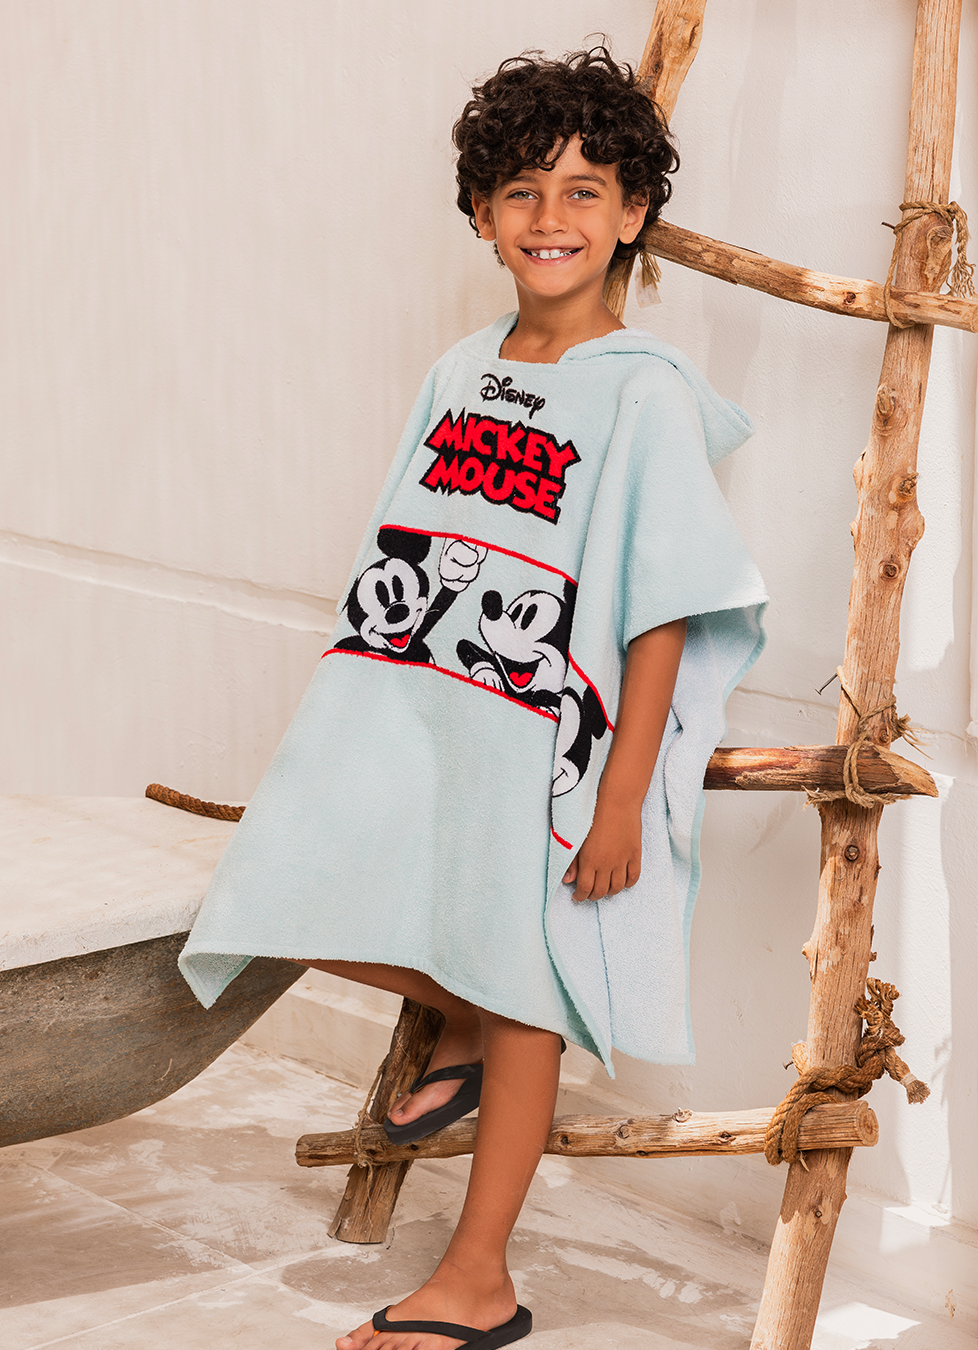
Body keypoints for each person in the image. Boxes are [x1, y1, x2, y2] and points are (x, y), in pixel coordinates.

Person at [179, 45, 767, 1350]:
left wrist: (623, 797)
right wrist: (356, 703)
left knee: (526, 994)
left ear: (632, 214)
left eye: (585, 190)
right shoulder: (458, 368)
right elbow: (402, 536)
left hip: (539, 747)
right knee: (283, 887)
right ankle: (459, 1010)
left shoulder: (645, 394)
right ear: (483, 215)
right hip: (422, 714)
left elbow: (664, 603)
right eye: (521, 191)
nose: (551, 217)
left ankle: (477, 1275)